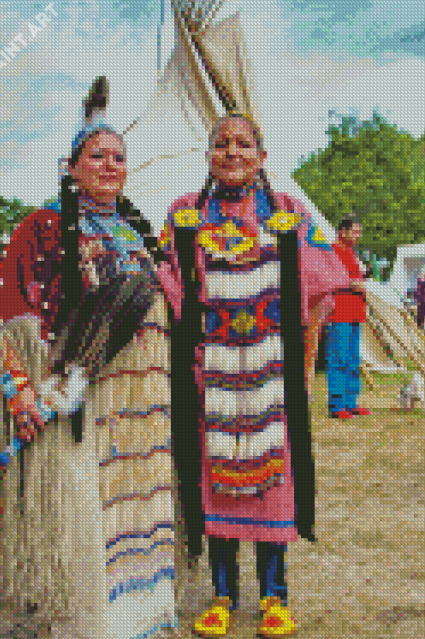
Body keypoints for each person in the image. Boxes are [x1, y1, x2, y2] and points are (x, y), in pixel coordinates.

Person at [0, 78, 175, 639]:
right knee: (86, 515)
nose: (110, 165)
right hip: (80, 403)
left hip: (144, 406)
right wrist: (20, 388)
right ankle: (89, 624)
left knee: (140, 508)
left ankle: (141, 618)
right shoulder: (39, 228)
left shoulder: (142, 233)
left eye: (119, 157)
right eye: (97, 156)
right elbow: (7, 314)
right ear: (70, 166)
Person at [157, 112, 350, 637]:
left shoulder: (287, 211)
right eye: (222, 144)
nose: (232, 152)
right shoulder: (185, 216)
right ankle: (221, 595)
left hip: (271, 372)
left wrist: (306, 364)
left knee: (274, 483)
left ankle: (274, 596)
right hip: (212, 373)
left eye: (244, 144)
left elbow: (318, 290)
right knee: (216, 476)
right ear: (209, 156)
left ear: (262, 157)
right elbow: (166, 289)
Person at [325, 218, 372, 419]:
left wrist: (363, 280)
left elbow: (354, 279)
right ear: (342, 231)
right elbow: (329, 278)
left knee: (353, 359)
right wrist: (353, 283)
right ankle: (336, 405)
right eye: (354, 231)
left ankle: (351, 402)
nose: (357, 235)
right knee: (339, 358)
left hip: (355, 312)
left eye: (359, 232)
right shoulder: (333, 250)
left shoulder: (352, 253)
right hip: (340, 313)